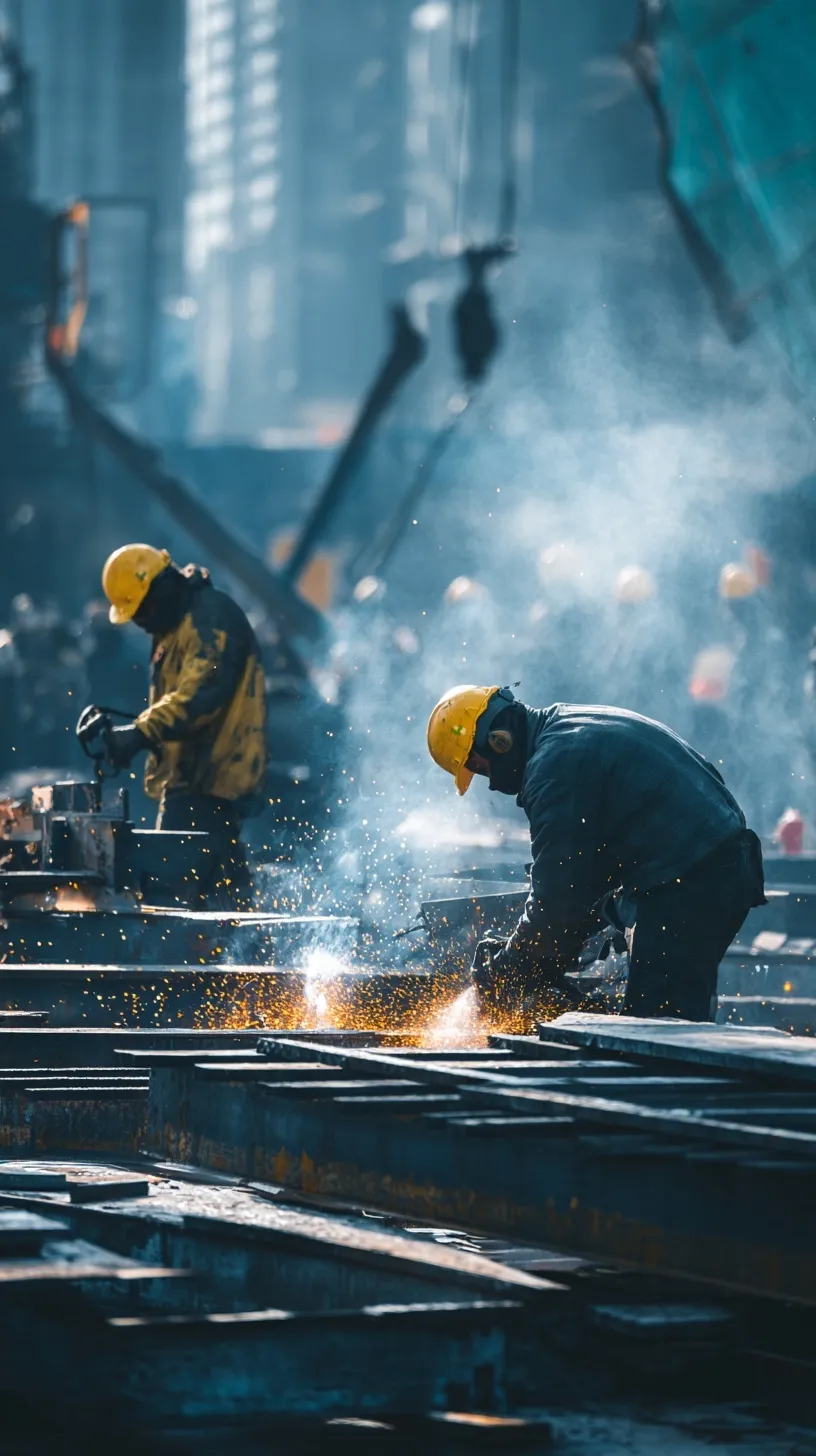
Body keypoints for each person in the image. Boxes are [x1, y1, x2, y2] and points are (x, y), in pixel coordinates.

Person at [426, 685, 765, 1022]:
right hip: (711, 867)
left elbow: (557, 903)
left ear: (499, 741)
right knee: (667, 1024)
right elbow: (583, 879)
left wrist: (504, 972)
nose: (490, 783)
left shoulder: (553, 770)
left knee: (657, 1034)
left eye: (482, 768)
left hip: (690, 881)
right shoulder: (566, 727)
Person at [99, 543, 268, 908]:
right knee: (222, 902)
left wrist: (142, 732)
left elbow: (203, 692)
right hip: (190, 780)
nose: (142, 624)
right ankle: (250, 957)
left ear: (159, 591)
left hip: (211, 779)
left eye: (141, 613)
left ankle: (235, 959)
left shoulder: (210, 618)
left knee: (172, 901)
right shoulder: (176, 626)